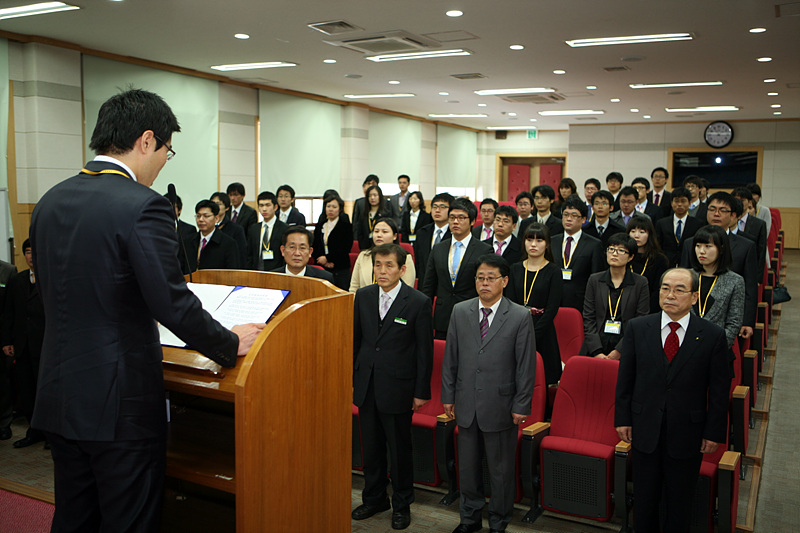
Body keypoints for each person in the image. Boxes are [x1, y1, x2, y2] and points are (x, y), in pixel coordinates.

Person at [28, 88, 264, 531]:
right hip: (119, 406)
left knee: (75, 519)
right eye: (167, 152)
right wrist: (229, 343)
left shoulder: (50, 201)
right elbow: (171, 302)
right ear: (147, 140)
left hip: (59, 394)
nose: (162, 164)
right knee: (129, 522)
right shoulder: (143, 206)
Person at [615, 268, 730, 533]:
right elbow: (626, 378)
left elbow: (720, 390)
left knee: (679, 502)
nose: (670, 295)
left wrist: (713, 432)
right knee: (644, 500)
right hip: (645, 429)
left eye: (679, 290)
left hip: (688, 432)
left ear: (694, 297)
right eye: (665, 288)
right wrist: (623, 418)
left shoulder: (712, 335)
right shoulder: (638, 327)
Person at [441, 254, 535, 533]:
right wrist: (448, 396)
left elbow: (525, 366)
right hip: (466, 402)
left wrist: (522, 404)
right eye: (480, 277)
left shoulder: (519, 315)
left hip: (502, 405)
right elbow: (450, 359)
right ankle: (469, 518)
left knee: (500, 470)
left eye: (491, 278)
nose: (484, 283)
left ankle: (499, 519)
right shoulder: (460, 311)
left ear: (504, 281)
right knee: (467, 469)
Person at [351, 243, 433, 531]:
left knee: (399, 451)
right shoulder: (363, 296)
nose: (382, 271)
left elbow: (424, 352)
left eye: (389, 265)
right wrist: (353, 380)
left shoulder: (418, 301)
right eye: (378, 265)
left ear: (403, 269)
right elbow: (356, 342)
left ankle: (401, 503)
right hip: (367, 385)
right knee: (370, 449)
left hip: (398, 388)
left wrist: (421, 392)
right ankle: (374, 498)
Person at [679, 192, 759, 340]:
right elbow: (684, 277)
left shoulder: (746, 245)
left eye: (722, 210)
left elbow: (750, 287)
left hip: (726, 318)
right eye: (712, 209)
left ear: (734, 215)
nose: (716, 214)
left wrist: (747, 321)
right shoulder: (690, 242)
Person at [422, 198, 492, 339]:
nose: (455, 222)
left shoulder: (484, 250)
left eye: (461, 218)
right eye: (452, 217)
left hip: (472, 315)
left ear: (472, 221)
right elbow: (429, 285)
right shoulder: (438, 248)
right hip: (442, 317)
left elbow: (487, 287)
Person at [1, 240, 46, 448]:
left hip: (45, 345)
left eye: (33, 252)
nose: (30, 256)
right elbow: (8, 313)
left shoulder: (50, 280)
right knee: (26, 391)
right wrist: (7, 341)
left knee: (45, 390)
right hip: (22, 345)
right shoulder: (17, 280)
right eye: (27, 252)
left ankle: (51, 435)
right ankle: (33, 430)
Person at [506, 223, 563, 384]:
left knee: (541, 382)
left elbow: (552, 309)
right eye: (529, 239)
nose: (533, 244)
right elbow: (509, 303)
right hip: (516, 329)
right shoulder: (515, 268)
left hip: (543, 332)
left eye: (539, 240)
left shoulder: (553, 271)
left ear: (547, 244)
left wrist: (532, 334)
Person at [581, 234, 650, 359]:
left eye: (621, 250)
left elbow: (641, 319)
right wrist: (597, 351)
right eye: (611, 249)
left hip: (627, 345)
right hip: (595, 345)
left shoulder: (640, 283)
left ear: (631, 257)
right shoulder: (595, 280)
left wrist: (618, 351)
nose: (614, 254)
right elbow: (588, 317)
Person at [690, 226, 745, 348]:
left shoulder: (735, 281)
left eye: (708, 246)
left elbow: (734, 322)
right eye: (698, 246)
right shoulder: (687, 276)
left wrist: (718, 347)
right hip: (686, 346)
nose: (701, 251)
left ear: (721, 249)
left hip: (717, 348)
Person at [550, 196, 604, 310]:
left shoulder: (594, 244)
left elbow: (596, 277)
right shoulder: (552, 241)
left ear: (583, 219)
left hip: (581, 302)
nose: (568, 219)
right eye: (565, 215)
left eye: (574, 215)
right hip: (553, 300)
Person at [350, 218, 416, 292]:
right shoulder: (363, 256)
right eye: (376, 231)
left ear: (395, 236)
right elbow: (354, 288)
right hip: (365, 302)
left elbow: (407, 290)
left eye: (384, 232)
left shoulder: (405, 258)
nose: (379, 235)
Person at [628, 216, 669, 313]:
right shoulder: (623, 256)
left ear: (649, 234)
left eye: (642, 232)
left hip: (650, 308)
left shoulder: (659, 259)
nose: (636, 236)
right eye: (633, 231)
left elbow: (658, 290)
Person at [312, 194, 353, 290]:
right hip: (322, 266)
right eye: (328, 206)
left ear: (340, 209)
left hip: (340, 267)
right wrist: (323, 261)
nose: (330, 209)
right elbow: (315, 245)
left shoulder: (346, 226)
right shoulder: (320, 225)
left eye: (334, 207)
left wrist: (328, 258)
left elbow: (346, 248)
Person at [654, 187, 702, 267]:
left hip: (689, 264)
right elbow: (658, 245)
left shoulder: (697, 224)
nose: (679, 204)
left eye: (683, 201)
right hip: (666, 264)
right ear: (671, 203)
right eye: (676, 201)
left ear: (689, 203)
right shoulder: (662, 223)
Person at [413, 192, 453, 289]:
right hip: (425, 285)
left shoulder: (455, 234)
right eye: (434, 207)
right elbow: (418, 262)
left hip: (446, 287)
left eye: (442, 207)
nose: (437, 210)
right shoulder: (422, 233)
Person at [188, 200, 240, 271]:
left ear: (216, 218)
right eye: (198, 216)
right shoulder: (188, 241)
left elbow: (232, 273)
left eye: (206, 216)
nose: (201, 219)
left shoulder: (228, 244)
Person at [246, 191, 288, 271]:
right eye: (261, 205)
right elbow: (249, 254)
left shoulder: (284, 228)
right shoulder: (254, 229)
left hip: (277, 272)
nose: (264, 209)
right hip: (256, 271)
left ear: (275, 207)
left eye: (267, 205)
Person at [732, 186, 768, 277]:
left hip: (750, 270)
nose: (739, 203)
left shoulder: (759, 224)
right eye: (736, 200)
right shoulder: (727, 221)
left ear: (749, 202)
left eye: (742, 200)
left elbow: (761, 252)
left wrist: (758, 278)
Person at [0, 258, 17, 441]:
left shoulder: (8, 271)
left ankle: (4, 423)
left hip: (1, 335)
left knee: (3, 382)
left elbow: (9, 309)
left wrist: (7, 340)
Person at [210, 191, 247, 268]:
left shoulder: (236, 229)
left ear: (227, 207)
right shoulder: (207, 228)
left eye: (218, 204)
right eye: (212, 204)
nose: (215, 207)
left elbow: (242, 255)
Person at [164, 193, 198, 274]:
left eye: (172, 206)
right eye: (165, 206)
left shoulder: (189, 229)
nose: (168, 209)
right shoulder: (155, 229)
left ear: (179, 210)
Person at [356, 185, 396, 251]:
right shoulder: (364, 213)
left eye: (375, 195)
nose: (372, 198)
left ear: (380, 196)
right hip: (365, 247)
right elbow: (360, 233)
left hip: (382, 247)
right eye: (370, 196)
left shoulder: (386, 213)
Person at [352, 174, 380, 241]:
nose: (370, 186)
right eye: (368, 183)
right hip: (364, 238)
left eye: (373, 183)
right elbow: (355, 223)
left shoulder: (385, 203)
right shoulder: (359, 202)